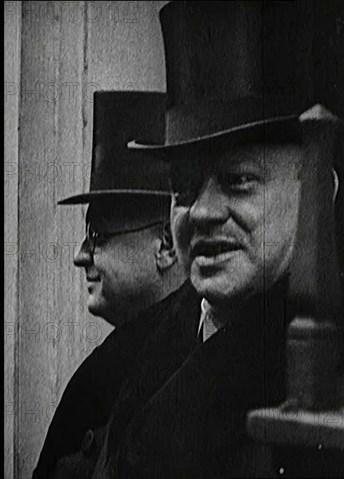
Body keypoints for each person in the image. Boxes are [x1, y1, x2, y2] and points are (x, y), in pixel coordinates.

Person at [89, 2, 344, 477]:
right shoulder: (132, 356)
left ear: (318, 192)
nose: (203, 212)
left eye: (238, 181)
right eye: (183, 189)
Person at [33, 91, 187, 479]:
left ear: (166, 244)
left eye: (97, 235)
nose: (80, 255)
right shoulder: (123, 360)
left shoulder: (117, 371)